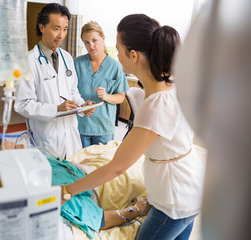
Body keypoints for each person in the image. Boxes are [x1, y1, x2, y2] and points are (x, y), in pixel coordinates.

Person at [62, 14, 205, 240]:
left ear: (134, 55)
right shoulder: (169, 85)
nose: (115, 56)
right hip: (189, 186)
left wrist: (67, 191)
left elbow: (116, 168)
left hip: (175, 199)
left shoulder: (156, 103)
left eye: (118, 50)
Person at [0, 138, 150, 238]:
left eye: (15, 143)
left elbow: (60, 162)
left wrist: (73, 165)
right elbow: (100, 220)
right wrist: (135, 210)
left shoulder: (37, 161)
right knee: (141, 165)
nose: (21, 146)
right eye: (15, 150)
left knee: (118, 147)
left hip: (88, 168)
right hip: (103, 185)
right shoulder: (49, 192)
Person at [15, 3, 94, 159]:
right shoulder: (28, 62)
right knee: (52, 180)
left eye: (65, 29)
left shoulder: (67, 58)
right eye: (56, 28)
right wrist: (56, 109)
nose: (61, 35)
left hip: (70, 134)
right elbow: (22, 104)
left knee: (73, 175)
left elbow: (73, 92)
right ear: (42, 27)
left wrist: (82, 106)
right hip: (47, 137)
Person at [74, 21, 129, 147]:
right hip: (80, 124)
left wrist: (106, 96)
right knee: (79, 163)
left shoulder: (115, 67)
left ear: (103, 38)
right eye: (86, 42)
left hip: (103, 127)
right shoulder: (76, 64)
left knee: (100, 163)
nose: (91, 45)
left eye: (94, 40)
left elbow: (121, 96)